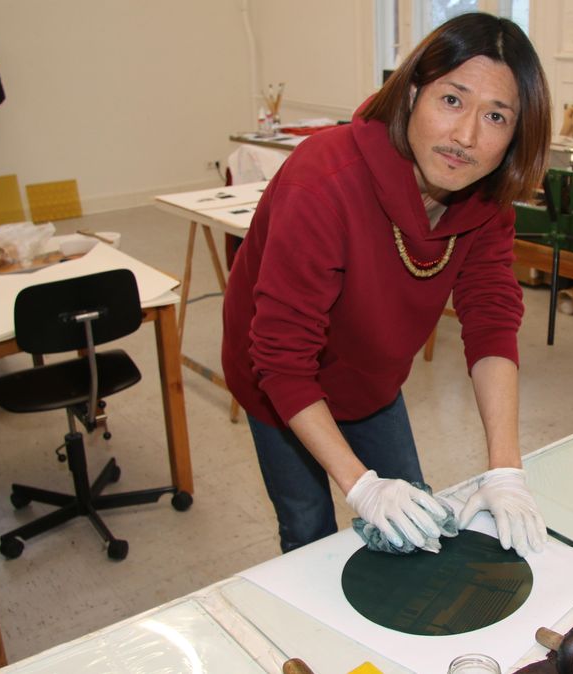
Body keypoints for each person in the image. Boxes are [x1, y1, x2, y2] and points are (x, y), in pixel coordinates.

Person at [222, 12, 551, 556]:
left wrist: (505, 470)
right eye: (452, 100)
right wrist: (362, 487)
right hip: (277, 376)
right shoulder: (323, 178)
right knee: (308, 529)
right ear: (413, 92)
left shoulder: (487, 197)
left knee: (416, 523)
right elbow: (281, 358)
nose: (466, 136)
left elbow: (491, 322)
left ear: (517, 133)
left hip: (370, 373)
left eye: (496, 116)